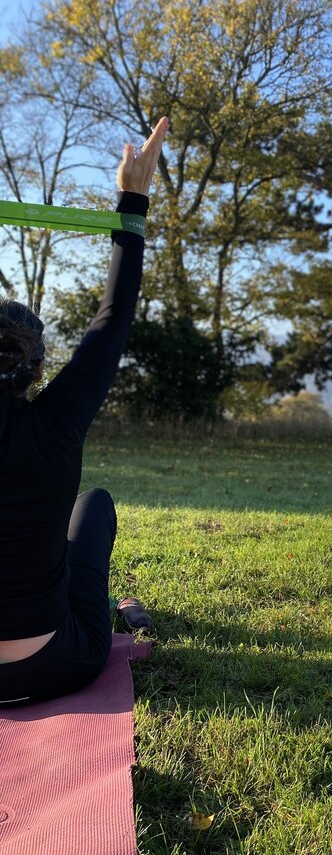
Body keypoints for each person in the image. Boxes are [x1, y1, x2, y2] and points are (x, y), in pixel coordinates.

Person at [0, 116, 169, 705]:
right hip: (54, 664)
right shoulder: (56, 421)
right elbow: (111, 320)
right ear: (37, 371)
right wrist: (133, 199)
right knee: (92, 508)